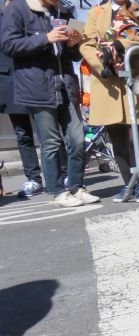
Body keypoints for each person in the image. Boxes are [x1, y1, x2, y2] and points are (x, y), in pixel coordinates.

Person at [0, 0, 100, 207]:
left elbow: (71, 55)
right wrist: (45, 38)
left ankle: (76, 186)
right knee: (52, 142)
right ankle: (57, 191)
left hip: (65, 85)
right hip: (37, 86)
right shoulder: (18, 8)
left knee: (78, 138)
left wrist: (73, 45)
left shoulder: (62, 10)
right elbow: (8, 45)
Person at [80, 0, 139, 203]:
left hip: (134, 77)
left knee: (137, 134)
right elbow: (86, 44)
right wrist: (104, 64)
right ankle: (129, 184)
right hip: (108, 82)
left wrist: (121, 44)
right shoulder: (96, 13)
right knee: (117, 135)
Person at [0, 0, 42, 197]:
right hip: (8, 82)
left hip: (33, 76)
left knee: (46, 130)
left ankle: (58, 174)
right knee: (22, 133)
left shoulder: (30, 10)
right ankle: (34, 178)